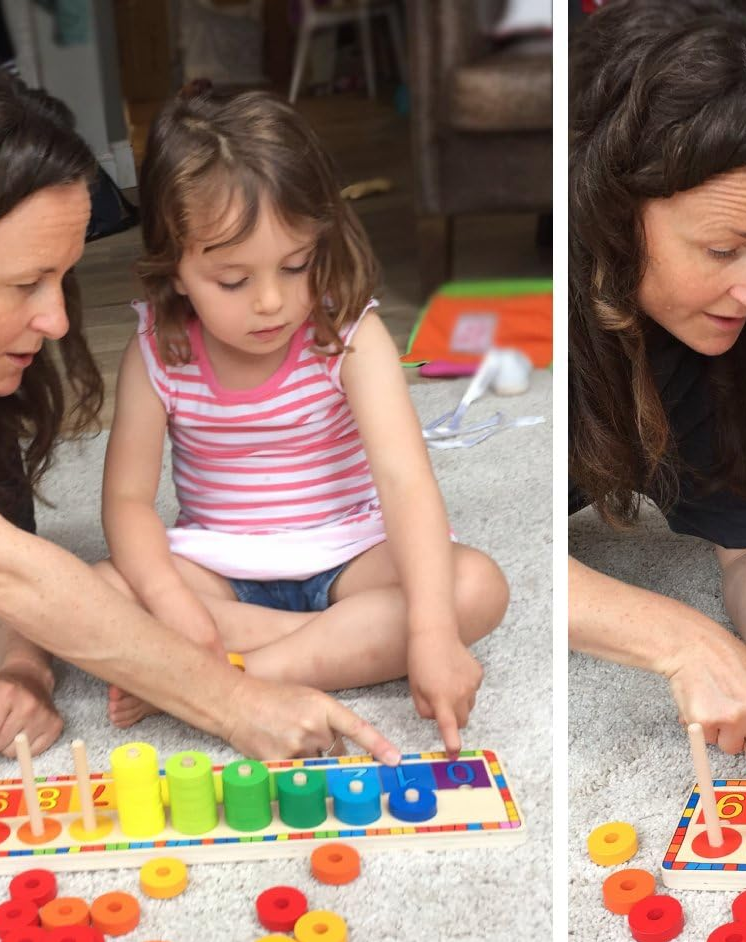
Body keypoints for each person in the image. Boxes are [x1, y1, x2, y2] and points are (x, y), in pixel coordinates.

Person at [0, 59, 400, 765]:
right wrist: (235, 702)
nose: (59, 320)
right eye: (25, 284)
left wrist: (24, 668)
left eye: (60, 278)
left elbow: (5, 557)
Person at [95, 86, 508, 757]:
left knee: (475, 587)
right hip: (220, 563)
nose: (271, 301)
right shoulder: (155, 354)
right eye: (233, 281)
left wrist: (433, 633)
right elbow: (127, 501)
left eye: (296, 265)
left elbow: (405, 483)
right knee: (99, 591)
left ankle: (233, 674)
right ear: (175, 271)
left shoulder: (349, 336)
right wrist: (171, 601)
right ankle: (330, 644)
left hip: (350, 554)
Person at [567, 0, 746, 778]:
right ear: (610, 209)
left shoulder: (715, 328)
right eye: (725, 249)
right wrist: (683, 641)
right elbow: (478, 549)